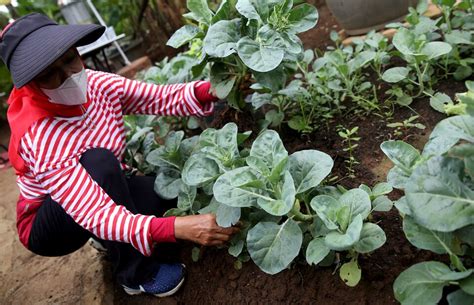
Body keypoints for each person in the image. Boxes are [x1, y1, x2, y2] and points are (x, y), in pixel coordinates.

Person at [0, 13, 239, 297]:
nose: (68, 76)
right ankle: (135, 274)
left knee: (160, 198)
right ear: (31, 84)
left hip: (92, 190)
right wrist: (178, 228)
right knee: (98, 163)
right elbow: (96, 212)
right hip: (49, 224)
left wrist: (210, 90)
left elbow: (157, 97)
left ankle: (108, 239)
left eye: (69, 59)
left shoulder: (97, 85)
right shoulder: (39, 134)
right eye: (49, 74)